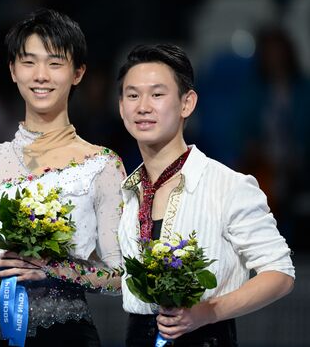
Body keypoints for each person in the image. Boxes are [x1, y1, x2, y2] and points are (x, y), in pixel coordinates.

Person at [0, 8, 126, 346]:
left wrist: (54, 267)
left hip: (70, 337)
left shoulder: (102, 164)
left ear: (78, 73)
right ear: (12, 70)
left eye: (54, 63)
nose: (40, 75)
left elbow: (119, 279)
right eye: (29, 62)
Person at [116, 43, 295, 346]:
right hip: (137, 336)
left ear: (187, 103)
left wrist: (206, 313)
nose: (143, 106)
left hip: (207, 337)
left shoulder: (228, 185)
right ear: (121, 107)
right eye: (132, 95)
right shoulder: (127, 190)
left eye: (157, 94)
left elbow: (280, 273)